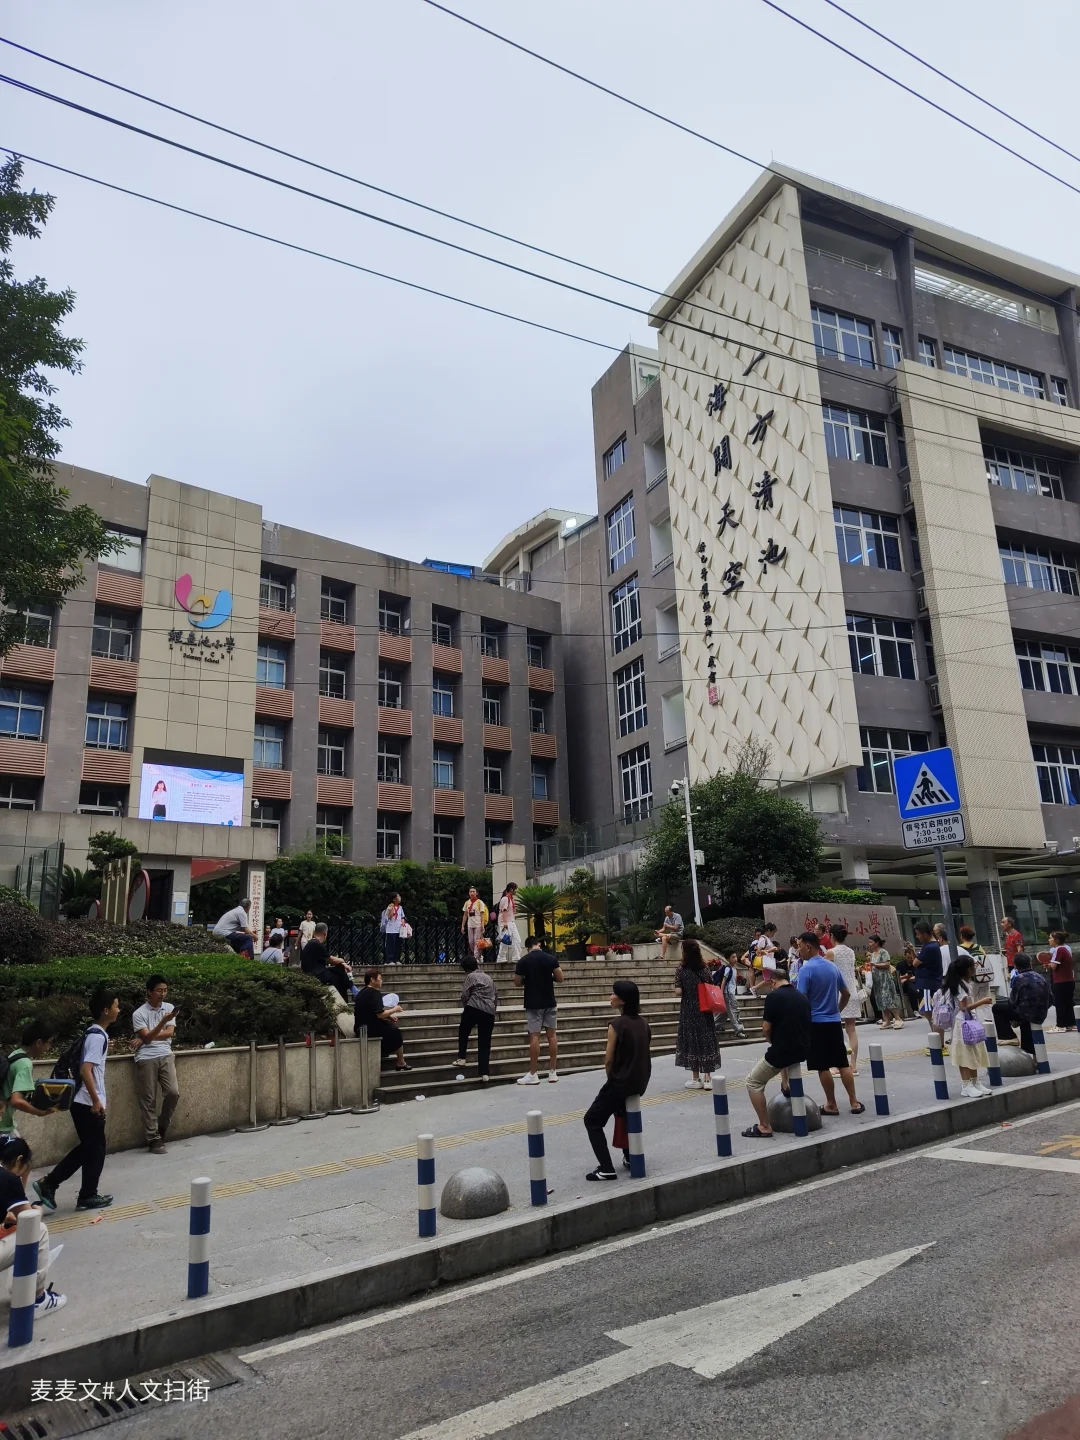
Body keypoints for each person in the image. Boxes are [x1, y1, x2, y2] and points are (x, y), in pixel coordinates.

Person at [34, 988, 120, 1213]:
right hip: (87, 1102)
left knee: (91, 1148)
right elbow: (85, 1070)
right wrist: (96, 1101)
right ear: (106, 1010)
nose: (118, 1010)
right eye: (116, 1006)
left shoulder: (94, 1033)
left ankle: (59, 1186)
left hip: (82, 1100)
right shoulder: (97, 1036)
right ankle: (80, 1193)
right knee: (94, 1149)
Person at [583, 980, 652, 1181]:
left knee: (592, 1120)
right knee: (623, 1114)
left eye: (613, 994)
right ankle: (630, 1157)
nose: (610, 997)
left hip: (620, 1082)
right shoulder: (643, 1023)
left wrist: (611, 1080)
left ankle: (606, 1168)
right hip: (640, 1082)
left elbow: (608, 1060)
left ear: (622, 1001)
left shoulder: (616, 1025)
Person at [795, 933, 865, 1116]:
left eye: (800, 946)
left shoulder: (806, 970)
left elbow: (801, 999)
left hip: (815, 1023)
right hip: (833, 1022)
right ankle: (854, 1102)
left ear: (808, 946)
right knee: (842, 1063)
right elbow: (846, 993)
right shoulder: (832, 967)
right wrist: (836, 1010)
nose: (798, 950)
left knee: (822, 1066)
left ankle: (831, 1104)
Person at [742, 963, 811, 1138]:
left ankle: (764, 1126)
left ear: (773, 982)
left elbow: (766, 1028)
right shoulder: (802, 996)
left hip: (783, 1049)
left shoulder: (774, 997)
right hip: (803, 1048)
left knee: (753, 1082)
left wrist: (771, 1040)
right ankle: (785, 1084)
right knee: (784, 1058)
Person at [0, 1137, 65, 1316]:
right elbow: (29, 1219)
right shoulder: (7, 1179)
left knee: (15, 1229)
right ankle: (37, 1298)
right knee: (38, 1231)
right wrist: (39, 1211)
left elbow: (10, 1211)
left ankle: (20, 1290)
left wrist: (8, 1217)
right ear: (19, 1160)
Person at [131, 975, 180, 1156]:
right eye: (159, 990)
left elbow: (169, 1034)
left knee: (173, 1092)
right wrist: (158, 1026)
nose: (163, 994)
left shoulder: (169, 1008)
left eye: (165, 990)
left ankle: (162, 1126)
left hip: (165, 1054)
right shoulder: (139, 1013)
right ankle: (153, 1139)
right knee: (148, 1099)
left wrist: (146, 1037)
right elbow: (149, 1038)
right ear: (149, 992)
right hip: (146, 1057)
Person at [940, 954, 994, 1097]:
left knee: (972, 1052)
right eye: (972, 966)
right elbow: (964, 1007)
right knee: (965, 1054)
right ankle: (966, 1085)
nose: (975, 968)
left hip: (967, 1021)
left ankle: (975, 1082)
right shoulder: (960, 986)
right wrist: (983, 1001)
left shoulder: (962, 983)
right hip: (962, 1023)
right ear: (966, 969)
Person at [515, 935, 562, 1084]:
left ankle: (533, 1074)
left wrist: (527, 980)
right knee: (552, 1036)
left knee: (534, 1037)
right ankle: (553, 1072)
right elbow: (560, 978)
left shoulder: (523, 961)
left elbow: (517, 982)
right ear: (539, 944)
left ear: (527, 947)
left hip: (533, 1003)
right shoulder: (551, 959)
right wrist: (549, 978)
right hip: (550, 1001)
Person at [1, 1020, 58, 1139]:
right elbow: (16, 1101)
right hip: (3, 1128)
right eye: (49, 1043)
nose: (49, 1048)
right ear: (39, 1042)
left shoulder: (14, 1054)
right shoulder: (25, 1064)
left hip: (5, 1123)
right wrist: (39, 1113)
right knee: (19, 1150)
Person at [674, 938, 717, 1091]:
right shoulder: (705, 968)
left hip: (689, 1010)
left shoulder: (681, 969)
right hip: (705, 1009)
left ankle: (695, 1078)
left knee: (692, 1041)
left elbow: (678, 991)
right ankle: (708, 1078)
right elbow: (711, 985)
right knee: (706, 1040)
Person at [353, 969, 411, 1071]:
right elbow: (380, 1014)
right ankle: (401, 1062)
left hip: (359, 1028)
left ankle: (385, 1053)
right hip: (370, 1029)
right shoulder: (375, 993)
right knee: (395, 1032)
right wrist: (394, 1009)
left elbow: (370, 1011)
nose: (381, 981)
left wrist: (388, 1016)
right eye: (379, 978)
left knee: (388, 1027)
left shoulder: (362, 993)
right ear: (372, 980)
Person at [993, 954, 1051, 1055]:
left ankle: (1009, 1037)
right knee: (1026, 1023)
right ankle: (1035, 1057)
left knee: (997, 1008)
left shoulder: (1018, 978)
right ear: (1030, 963)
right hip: (1041, 1013)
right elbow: (1051, 998)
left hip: (1025, 1013)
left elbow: (1013, 1000)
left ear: (1015, 966)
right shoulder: (1040, 976)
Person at [455, 955, 498, 1081]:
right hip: (489, 1011)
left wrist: (466, 1006)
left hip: (474, 1007)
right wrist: (493, 1010)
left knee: (464, 1031)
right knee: (485, 1042)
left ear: (466, 969)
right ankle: (484, 1072)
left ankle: (462, 1058)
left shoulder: (471, 976)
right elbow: (495, 995)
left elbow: (465, 994)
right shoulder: (488, 977)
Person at [829, 924, 863, 1073]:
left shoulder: (831, 952)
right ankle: (853, 1064)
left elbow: (827, 973)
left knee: (835, 1028)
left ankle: (837, 1065)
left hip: (838, 992)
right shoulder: (850, 951)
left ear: (832, 936)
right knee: (851, 1029)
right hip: (852, 991)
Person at [299, 923, 353, 1002]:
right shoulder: (317, 944)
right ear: (325, 933)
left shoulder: (311, 943)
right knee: (341, 980)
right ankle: (347, 998)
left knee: (340, 968)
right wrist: (342, 960)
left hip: (316, 972)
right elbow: (332, 960)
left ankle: (352, 988)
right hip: (317, 975)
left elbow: (328, 958)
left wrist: (343, 964)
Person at [913, 922, 945, 1048]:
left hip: (928, 984)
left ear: (925, 934)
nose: (917, 937)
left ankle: (938, 1043)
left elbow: (915, 963)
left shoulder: (929, 947)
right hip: (930, 983)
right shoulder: (931, 946)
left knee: (930, 1013)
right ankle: (937, 1041)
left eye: (918, 934)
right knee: (929, 1012)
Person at [866, 934, 903, 1030]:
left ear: (877, 942)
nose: (870, 944)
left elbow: (887, 964)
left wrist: (875, 964)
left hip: (885, 979)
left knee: (888, 999)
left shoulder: (883, 952)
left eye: (871, 942)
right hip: (877, 981)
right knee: (881, 1000)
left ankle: (897, 1018)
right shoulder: (872, 954)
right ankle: (887, 1020)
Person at [1046, 931, 1076, 1033]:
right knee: (1068, 1004)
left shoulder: (1059, 949)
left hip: (1061, 982)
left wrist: (1048, 964)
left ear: (1057, 940)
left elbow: (1054, 966)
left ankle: (1061, 1025)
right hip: (1069, 981)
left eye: (1050, 938)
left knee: (1060, 1004)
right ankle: (1071, 1024)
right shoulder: (1064, 949)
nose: (1049, 940)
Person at [711, 953, 746, 1039]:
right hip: (728, 994)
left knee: (725, 1012)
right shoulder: (728, 968)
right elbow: (724, 981)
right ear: (728, 959)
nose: (735, 959)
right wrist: (721, 993)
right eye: (733, 957)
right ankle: (738, 1030)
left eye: (735, 956)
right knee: (735, 1011)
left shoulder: (734, 969)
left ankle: (715, 1026)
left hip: (730, 993)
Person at [496, 883, 523, 965]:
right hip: (506, 922)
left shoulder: (510, 899)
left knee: (517, 939)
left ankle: (516, 957)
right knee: (505, 940)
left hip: (511, 921)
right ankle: (501, 957)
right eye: (515, 889)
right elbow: (503, 911)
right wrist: (504, 923)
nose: (516, 891)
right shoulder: (505, 898)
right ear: (511, 889)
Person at [460, 888, 489, 959]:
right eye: (470, 891)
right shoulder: (467, 903)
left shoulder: (480, 902)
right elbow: (465, 915)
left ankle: (475, 957)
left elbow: (482, 914)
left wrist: (482, 925)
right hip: (470, 924)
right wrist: (462, 926)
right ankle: (479, 955)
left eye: (473, 891)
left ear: (476, 893)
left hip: (478, 924)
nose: (472, 893)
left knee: (477, 941)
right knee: (471, 942)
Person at [381, 894, 407, 967]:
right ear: (394, 899)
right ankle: (389, 960)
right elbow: (388, 917)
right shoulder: (389, 907)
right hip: (391, 929)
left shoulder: (400, 907)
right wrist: (390, 910)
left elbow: (402, 916)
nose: (400, 898)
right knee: (390, 945)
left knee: (398, 945)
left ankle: (396, 959)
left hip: (398, 929)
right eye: (398, 897)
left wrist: (403, 921)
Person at [896, 942, 921, 1017]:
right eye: (908, 958)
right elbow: (897, 978)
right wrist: (905, 977)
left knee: (914, 987)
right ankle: (915, 1010)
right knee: (909, 985)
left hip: (916, 983)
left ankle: (920, 1009)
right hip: (905, 985)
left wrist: (909, 978)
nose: (910, 959)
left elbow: (919, 976)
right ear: (905, 956)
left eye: (911, 958)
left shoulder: (915, 964)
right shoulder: (900, 964)